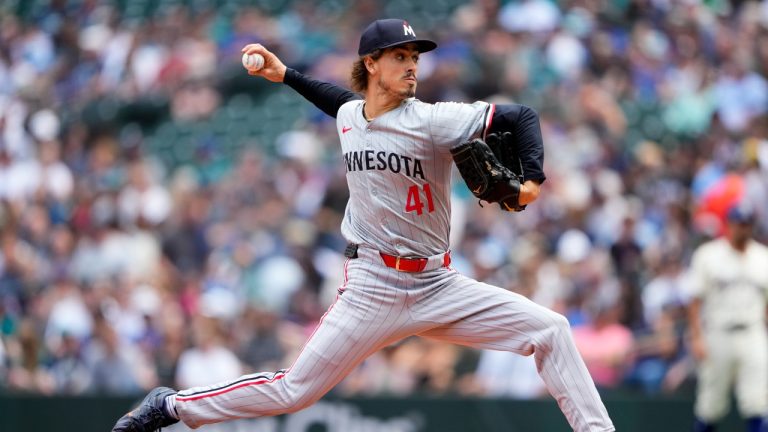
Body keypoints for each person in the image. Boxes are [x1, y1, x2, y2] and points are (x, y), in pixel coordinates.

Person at [111, 18, 614, 432]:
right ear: (371, 64)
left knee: (551, 329)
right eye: (400, 56)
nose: (412, 65)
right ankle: (172, 407)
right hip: (373, 286)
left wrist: (531, 181)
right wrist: (286, 75)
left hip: (438, 283)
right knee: (295, 390)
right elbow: (337, 101)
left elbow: (521, 117)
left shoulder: (434, 119)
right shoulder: (351, 116)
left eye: (415, 57)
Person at [687, 203, 768, 432]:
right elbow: (694, 301)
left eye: (747, 224)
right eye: (738, 223)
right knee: (710, 404)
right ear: (729, 225)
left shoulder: (763, 257)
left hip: (753, 333)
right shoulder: (708, 255)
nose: (743, 228)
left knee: (757, 402)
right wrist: (696, 337)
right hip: (718, 334)